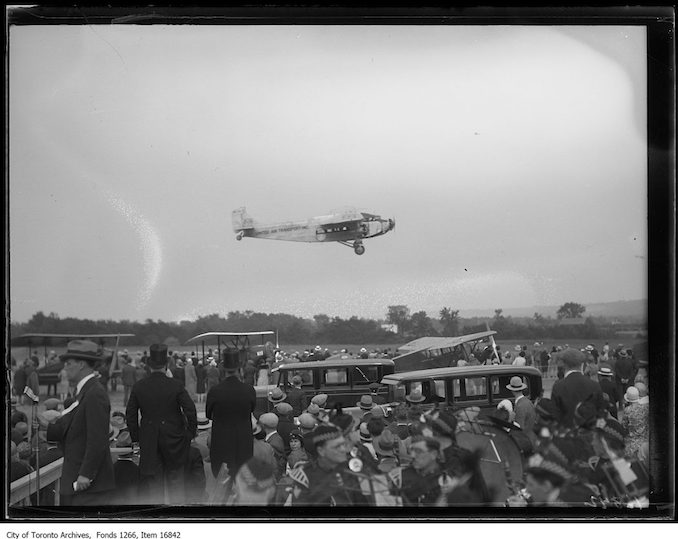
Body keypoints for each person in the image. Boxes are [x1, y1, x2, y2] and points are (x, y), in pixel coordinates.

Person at [125, 343, 197, 504]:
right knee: (176, 482)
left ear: (149, 366)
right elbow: (190, 410)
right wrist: (190, 433)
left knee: (153, 486)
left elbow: (130, 415)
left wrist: (137, 437)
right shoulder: (175, 385)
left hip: (149, 438)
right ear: (166, 365)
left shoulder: (139, 386)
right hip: (175, 439)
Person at [46, 340, 115, 505]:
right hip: (77, 480)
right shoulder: (85, 391)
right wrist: (46, 426)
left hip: (87, 485)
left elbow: (97, 439)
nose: (65, 368)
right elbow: (74, 429)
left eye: (69, 363)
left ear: (81, 364)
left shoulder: (94, 393)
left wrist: (86, 473)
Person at [206, 349, 256, 479]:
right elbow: (252, 409)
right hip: (243, 441)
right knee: (243, 479)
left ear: (223, 368)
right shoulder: (249, 390)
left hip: (222, 440)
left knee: (223, 482)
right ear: (239, 368)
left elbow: (208, 414)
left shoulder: (215, 391)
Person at [290, 425, 368, 506]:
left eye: (343, 445)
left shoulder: (351, 470)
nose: (343, 450)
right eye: (337, 446)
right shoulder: (304, 477)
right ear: (321, 451)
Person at [550, 349, 603, 427]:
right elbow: (600, 414)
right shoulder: (595, 385)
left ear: (564, 364)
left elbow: (555, 415)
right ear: (582, 364)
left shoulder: (558, 386)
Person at [507, 376, 537, 448]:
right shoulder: (528, 402)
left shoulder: (520, 406)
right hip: (532, 438)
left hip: (526, 442)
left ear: (512, 390)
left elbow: (519, 428)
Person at [621, 386, 649, 460]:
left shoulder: (627, 410)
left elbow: (624, 426)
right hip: (645, 441)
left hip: (632, 443)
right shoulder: (646, 407)